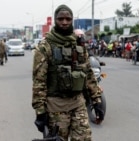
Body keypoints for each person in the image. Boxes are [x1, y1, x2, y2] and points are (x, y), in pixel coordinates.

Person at [32, 4, 104, 141]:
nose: (64, 22)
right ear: (55, 20)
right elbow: (38, 82)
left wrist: (97, 100)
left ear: (72, 20)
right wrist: (40, 111)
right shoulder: (45, 47)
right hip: (56, 107)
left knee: (84, 138)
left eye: (68, 19)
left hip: (78, 104)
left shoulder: (78, 44)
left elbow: (88, 73)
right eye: (60, 19)